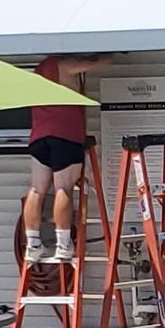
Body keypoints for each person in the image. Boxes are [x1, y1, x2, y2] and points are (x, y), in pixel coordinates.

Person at [23, 54, 110, 262]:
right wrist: (111, 55)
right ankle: (63, 245)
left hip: (39, 136)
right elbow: (90, 64)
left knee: (37, 189)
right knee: (63, 187)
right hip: (65, 134)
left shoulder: (39, 69)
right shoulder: (61, 65)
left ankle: (33, 244)